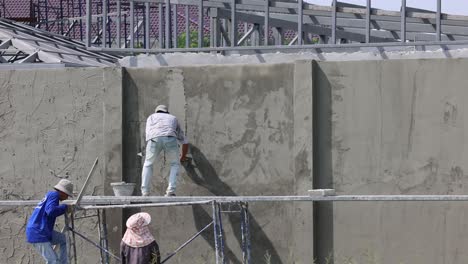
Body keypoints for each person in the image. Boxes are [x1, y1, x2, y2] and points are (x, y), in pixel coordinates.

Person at [141, 104, 188, 196]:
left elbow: (148, 134)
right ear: (167, 112)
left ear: (156, 111)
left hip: (154, 139)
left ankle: (145, 192)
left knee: (148, 164)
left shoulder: (151, 117)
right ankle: (171, 191)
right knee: (175, 164)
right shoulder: (173, 118)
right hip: (170, 138)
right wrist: (183, 156)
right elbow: (184, 141)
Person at [26, 179, 73, 264]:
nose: (67, 197)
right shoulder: (54, 195)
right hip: (38, 232)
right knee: (53, 261)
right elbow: (51, 211)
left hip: (42, 229)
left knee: (65, 239)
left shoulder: (50, 195)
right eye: (68, 195)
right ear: (63, 192)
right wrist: (65, 207)